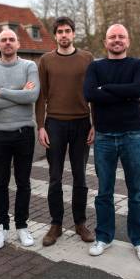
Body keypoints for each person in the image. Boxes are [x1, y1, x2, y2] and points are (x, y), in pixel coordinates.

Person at [84, 23, 140, 263]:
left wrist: (107, 89)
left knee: (137, 193)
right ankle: (104, 236)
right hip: (103, 138)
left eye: (121, 36)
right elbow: (90, 94)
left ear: (128, 41)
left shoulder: (138, 65)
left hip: (132, 136)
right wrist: (125, 93)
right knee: (104, 192)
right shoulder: (95, 67)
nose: (116, 40)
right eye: (112, 37)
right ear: (105, 42)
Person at [35, 16, 95, 246]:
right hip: (55, 124)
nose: (64, 35)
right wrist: (41, 126)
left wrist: (95, 124)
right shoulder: (46, 60)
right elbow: (41, 96)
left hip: (81, 123)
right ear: (55, 35)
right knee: (55, 177)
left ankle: (80, 222)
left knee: (80, 176)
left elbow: (94, 94)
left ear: (73, 33)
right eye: (60, 31)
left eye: (67, 31)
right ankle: (56, 224)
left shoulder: (87, 58)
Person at [0, 29, 40, 249]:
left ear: (18, 43)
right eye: (3, 40)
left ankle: (22, 225)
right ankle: (2, 227)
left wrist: (2, 92)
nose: (7, 43)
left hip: (24, 133)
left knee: (23, 182)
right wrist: (18, 93)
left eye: (11, 40)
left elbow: (32, 96)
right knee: (1, 183)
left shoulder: (29, 66)